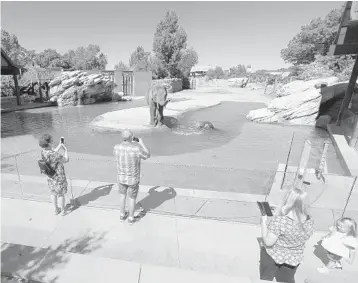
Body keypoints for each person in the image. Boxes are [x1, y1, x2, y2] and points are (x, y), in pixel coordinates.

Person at [260, 188, 314, 283]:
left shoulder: (280, 221)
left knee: (266, 276)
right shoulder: (310, 220)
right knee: (285, 279)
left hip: (274, 254)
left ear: (287, 200)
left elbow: (268, 242)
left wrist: (263, 223)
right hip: (294, 257)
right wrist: (278, 209)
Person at [113, 130, 150, 224]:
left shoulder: (116, 147)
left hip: (121, 177)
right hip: (133, 178)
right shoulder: (136, 149)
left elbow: (116, 155)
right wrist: (141, 143)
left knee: (122, 196)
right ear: (131, 138)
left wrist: (129, 143)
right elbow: (147, 155)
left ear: (122, 137)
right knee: (132, 198)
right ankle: (131, 218)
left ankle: (122, 215)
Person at [39, 134, 69, 216]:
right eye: (51, 141)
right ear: (48, 143)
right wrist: (65, 150)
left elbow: (52, 152)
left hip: (50, 176)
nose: (53, 142)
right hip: (58, 177)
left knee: (53, 193)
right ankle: (63, 211)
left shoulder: (43, 151)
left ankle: (56, 210)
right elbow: (66, 160)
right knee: (61, 194)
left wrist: (60, 145)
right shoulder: (55, 155)